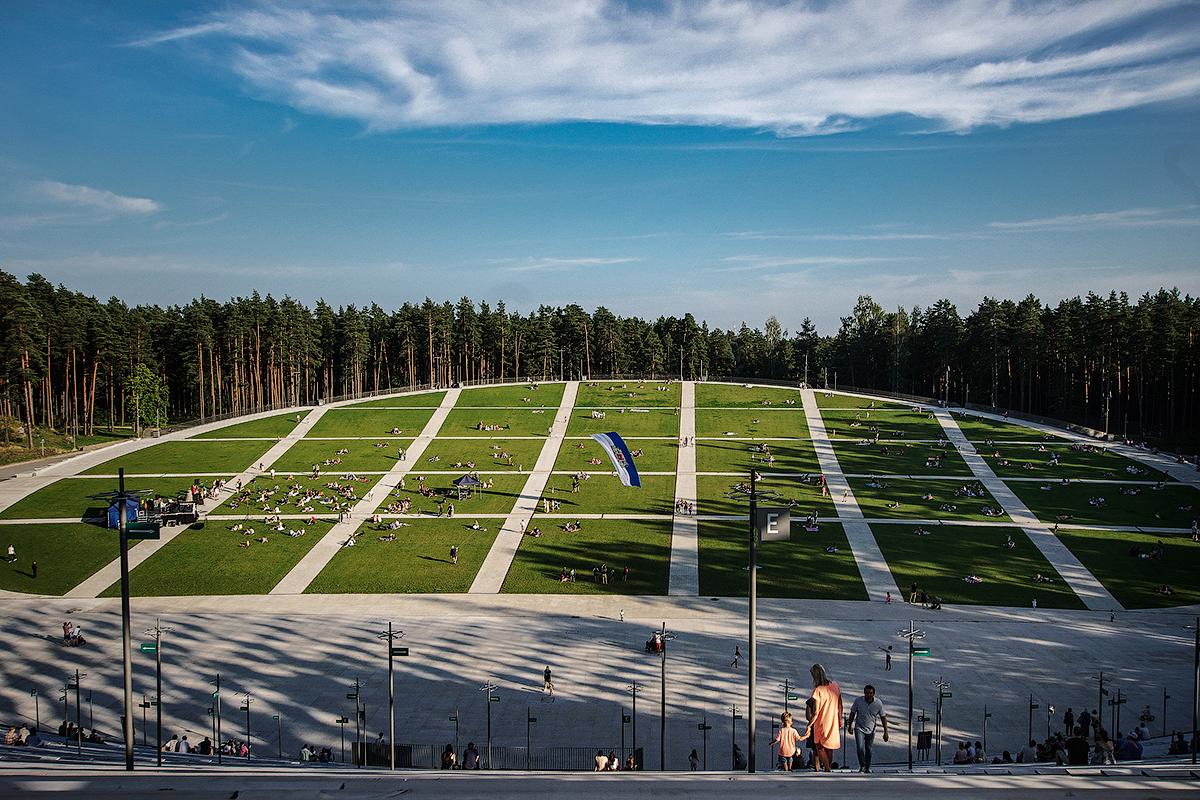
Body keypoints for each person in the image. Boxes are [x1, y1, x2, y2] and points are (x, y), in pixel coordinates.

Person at [846, 684, 888, 773]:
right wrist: (850, 725)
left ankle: (867, 767)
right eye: (867, 693)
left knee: (869, 749)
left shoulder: (878, 703)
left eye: (870, 693)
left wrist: (885, 731)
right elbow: (852, 713)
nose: (868, 695)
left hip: (871, 729)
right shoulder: (858, 701)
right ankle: (862, 766)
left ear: (873, 694)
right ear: (864, 693)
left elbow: (883, 717)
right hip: (859, 728)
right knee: (860, 747)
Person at [809, 663, 842, 772]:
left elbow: (816, 712)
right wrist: (839, 718)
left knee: (819, 746)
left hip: (821, 722)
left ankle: (827, 768)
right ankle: (828, 768)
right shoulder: (835, 685)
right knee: (829, 746)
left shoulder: (818, 690)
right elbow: (840, 704)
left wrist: (809, 725)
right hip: (833, 720)